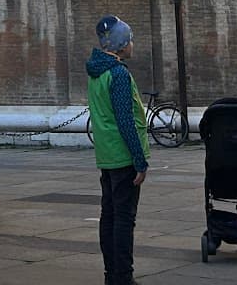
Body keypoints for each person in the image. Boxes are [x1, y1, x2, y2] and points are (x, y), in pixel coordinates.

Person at [87, 15, 148, 285]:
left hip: (106, 155)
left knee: (109, 215)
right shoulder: (119, 74)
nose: (132, 44)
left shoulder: (96, 72)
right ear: (121, 45)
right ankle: (123, 276)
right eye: (130, 39)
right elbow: (126, 120)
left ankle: (111, 273)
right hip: (123, 156)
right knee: (124, 219)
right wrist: (139, 159)